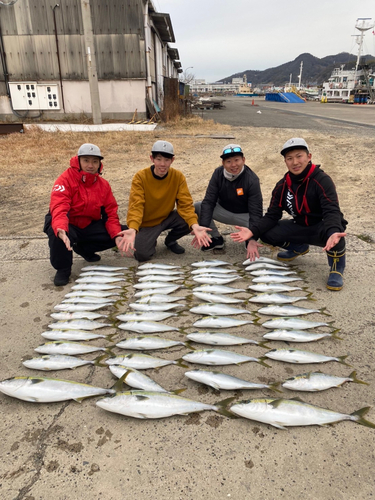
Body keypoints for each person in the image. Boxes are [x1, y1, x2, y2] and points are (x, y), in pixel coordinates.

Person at [230, 138, 347, 291]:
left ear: (309, 157)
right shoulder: (282, 185)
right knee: (266, 232)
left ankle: (336, 269)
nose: (295, 162)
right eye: (289, 158)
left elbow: (332, 210)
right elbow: (272, 215)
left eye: (299, 156)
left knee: (336, 233)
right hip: (299, 226)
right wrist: (252, 232)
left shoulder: (322, 180)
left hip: (321, 227)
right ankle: (298, 247)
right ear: (285, 161)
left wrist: (333, 231)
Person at [44, 143, 127, 286]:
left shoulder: (104, 185)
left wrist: (117, 236)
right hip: (69, 223)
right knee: (56, 231)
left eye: (95, 161)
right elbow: (59, 207)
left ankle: (84, 249)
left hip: (89, 224)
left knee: (123, 232)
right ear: (78, 161)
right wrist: (61, 229)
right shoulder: (65, 180)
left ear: (99, 164)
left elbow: (111, 214)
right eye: (86, 160)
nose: (91, 165)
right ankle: (63, 269)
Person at [117, 140, 212, 261]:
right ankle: (148, 238)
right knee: (142, 255)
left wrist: (195, 225)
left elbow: (185, 204)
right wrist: (133, 228)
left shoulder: (178, 176)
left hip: (167, 217)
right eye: (159, 159)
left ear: (172, 160)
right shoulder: (140, 177)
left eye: (167, 160)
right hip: (148, 224)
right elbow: (136, 206)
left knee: (194, 216)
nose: (163, 164)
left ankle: (170, 240)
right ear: (152, 158)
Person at [194, 143, 263, 251]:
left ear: (243, 160)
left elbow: (256, 211)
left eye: (236, 160)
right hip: (223, 211)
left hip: (244, 217)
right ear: (223, 163)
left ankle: (248, 238)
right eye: (229, 161)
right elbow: (209, 201)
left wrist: (253, 237)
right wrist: (203, 228)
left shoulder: (252, 179)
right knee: (199, 206)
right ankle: (216, 239)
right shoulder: (218, 173)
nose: (233, 165)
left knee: (261, 223)